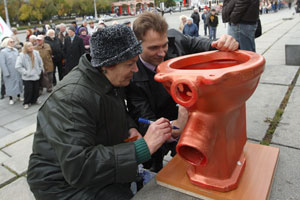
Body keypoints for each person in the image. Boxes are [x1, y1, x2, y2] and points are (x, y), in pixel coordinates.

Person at [27, 24, 172, 200]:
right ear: (108, 65)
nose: (135, 70)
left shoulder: (107, 78)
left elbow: (115, 110)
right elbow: (78, 166)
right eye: (130, 64)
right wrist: (142, 148)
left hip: (86, 176)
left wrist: (129, 127)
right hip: (60, 185)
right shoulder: (71, 99)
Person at [126, 12, 239, 172]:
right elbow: (146, 123)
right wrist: (177, 126)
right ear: (137, 46)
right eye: (153, 48)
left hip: (187, 119)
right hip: (161, 126)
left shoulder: (176, 40)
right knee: (158, 169)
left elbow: (207, 46)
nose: (162, 53)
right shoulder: (132, 77)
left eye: (164, 45)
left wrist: (225, 43)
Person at [15, 42, 44, 109]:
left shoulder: (36, 53)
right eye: (29, 46)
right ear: (25, 47)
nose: (31, 47)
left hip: (36, 75)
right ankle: (26, 102)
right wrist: (26, 72)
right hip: (27, 77)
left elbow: (40, 62)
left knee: (36, 89)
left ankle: (34, 100)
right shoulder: (22, 55)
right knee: (28, 90)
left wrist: (39, 70)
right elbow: (18, 66)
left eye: (31, 45)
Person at [0, 38, 23, 105]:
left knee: (19, 83)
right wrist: (6, 72)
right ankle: (11, 98)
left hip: (17, 71)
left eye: (13, 41)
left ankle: (19, 96)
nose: (13, 43)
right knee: (10, 85)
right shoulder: (3, 52)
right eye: (11, 42)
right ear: (7, 43)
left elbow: (19, 59)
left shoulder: (15, 50)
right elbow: (2, 63)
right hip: (9, 71)